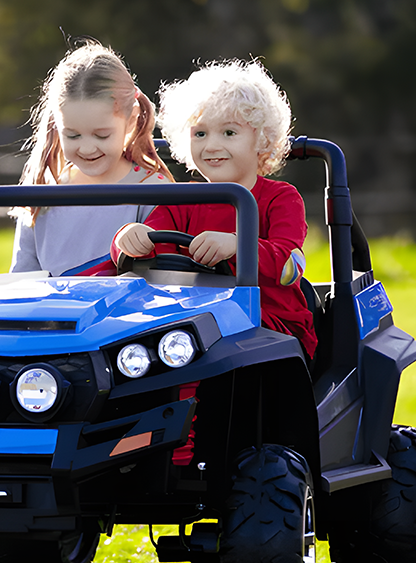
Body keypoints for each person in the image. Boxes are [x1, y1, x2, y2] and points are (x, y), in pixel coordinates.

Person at [113, 58, 317, 358]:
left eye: (229, 133)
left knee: (216, 337)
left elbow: (290, 266)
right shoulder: (181, 200)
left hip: (269, 325)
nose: (211, 146)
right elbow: (150, 243)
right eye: (200, 133)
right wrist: (129, 239)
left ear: (262, 139)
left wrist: (238, 246)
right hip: (190, 320)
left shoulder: (280, 198)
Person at [9, 42, 173, 277]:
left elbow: (168, 280)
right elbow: (22, 278)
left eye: (101, 135)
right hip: (52, 312)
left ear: (131, 120)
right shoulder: (41, 191)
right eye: (72, 135)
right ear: (57, 125)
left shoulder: (153, 191)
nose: (86, 148)